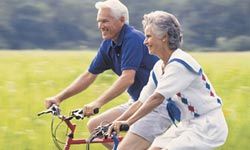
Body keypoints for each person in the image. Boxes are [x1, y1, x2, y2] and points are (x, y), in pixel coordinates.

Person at [44, 0, 159, 149]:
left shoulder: (133, 38)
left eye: (105, 21)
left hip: (154, 104)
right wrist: (59, 98)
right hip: (136, 101)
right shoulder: (108, 44)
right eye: (99, 21)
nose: (100, 26)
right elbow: (89, 75)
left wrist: (97, 103)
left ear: (122, 20)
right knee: (95, 126)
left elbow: (127, 78)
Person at [110, 11, 228, 150]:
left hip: (207, 125)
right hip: (186, 124)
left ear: (164, 37)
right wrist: (118, 121)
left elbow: (156, 99)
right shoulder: (159, 67)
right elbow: (141, 101)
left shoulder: (179, 63)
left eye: (148, 36)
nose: (145, 41)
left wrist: (128, 123)